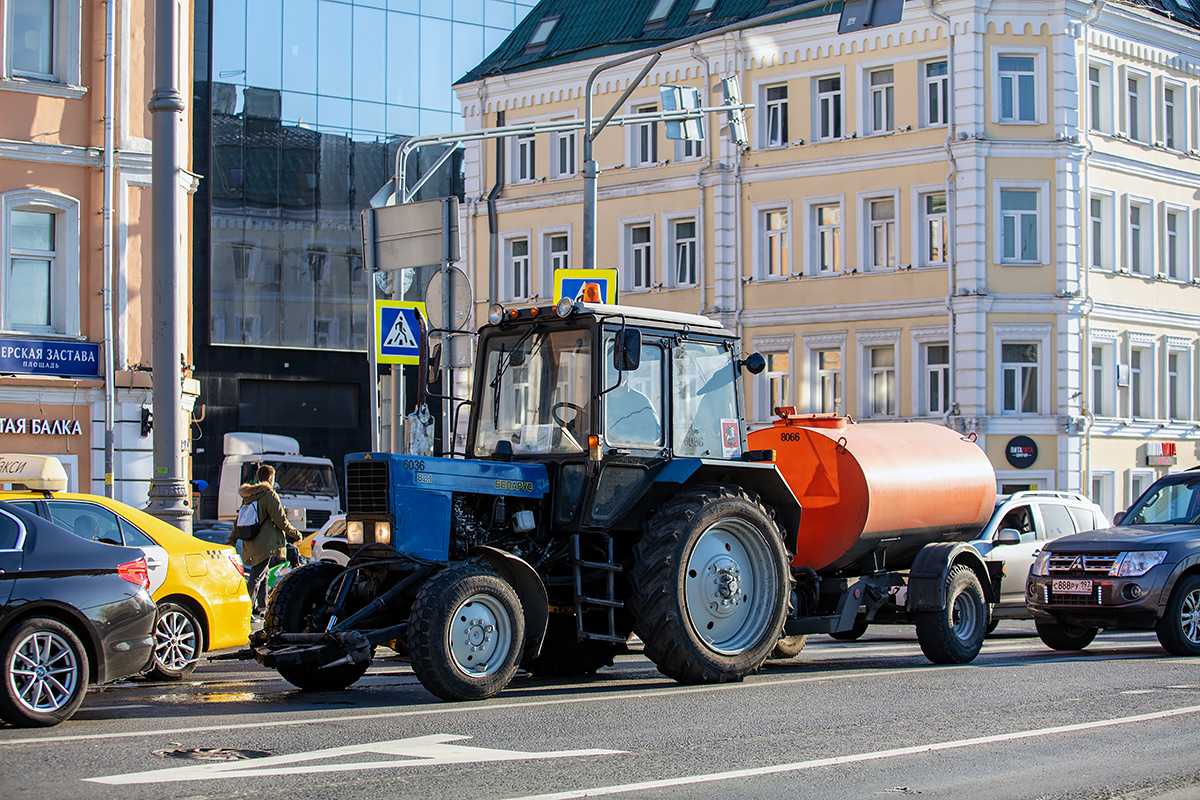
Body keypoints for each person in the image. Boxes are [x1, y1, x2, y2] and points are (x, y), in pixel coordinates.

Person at [227, 463, 302, 619]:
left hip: (250, 541)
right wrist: (295, 533)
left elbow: (238, 521)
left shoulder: (248, 497)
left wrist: (232, 541)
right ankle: (246, 608)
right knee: (257, 575)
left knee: (265, 574)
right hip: (265, 543)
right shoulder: (269, 495)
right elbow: (281, 520)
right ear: (270, 478)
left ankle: (262, 607)